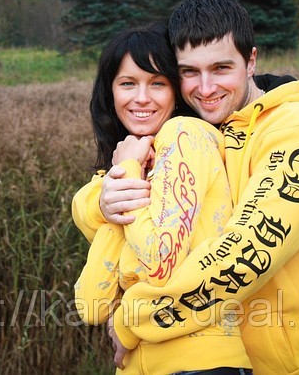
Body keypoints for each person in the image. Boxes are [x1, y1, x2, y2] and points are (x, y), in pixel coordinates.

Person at [74, 0, 299, 374]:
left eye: (221, 68)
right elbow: (126, 215)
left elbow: (243, 257)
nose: (204, 88)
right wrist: (100, 202)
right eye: (189, 72)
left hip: (280, 366)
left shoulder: (297, 135)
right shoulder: (203, 127)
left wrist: (132, 321)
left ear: (250, 61)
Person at [72, 22, 252, 374]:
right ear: (110, 92)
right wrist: (121, 182)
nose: (142, 97)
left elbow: (158, 263)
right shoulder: (134, 166)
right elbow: (91, 305)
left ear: (176, 91)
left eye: (157, 83)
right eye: (128, 83)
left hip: (202, 365)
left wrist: (127, 174)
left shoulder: (185, 135)